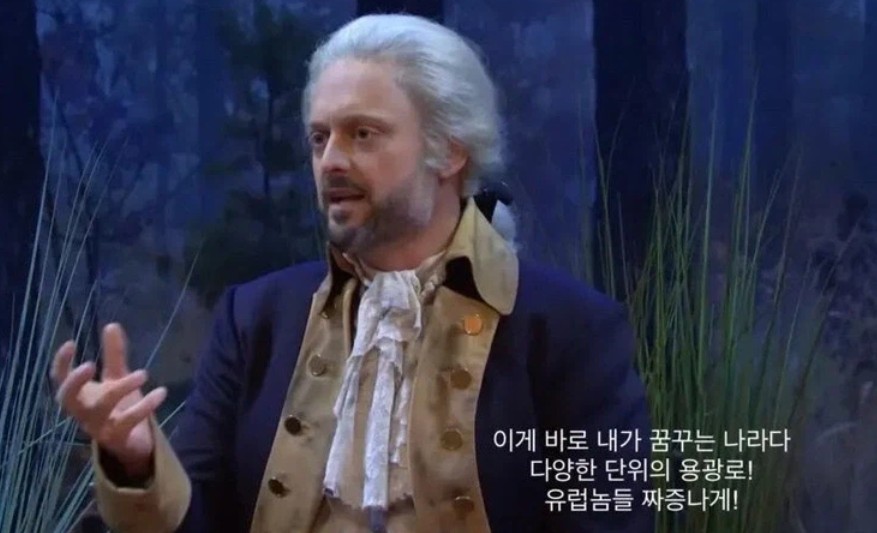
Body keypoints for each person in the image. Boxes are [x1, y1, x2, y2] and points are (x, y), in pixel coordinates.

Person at [51, 13, 654, 533]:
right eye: (319, 138)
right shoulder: (257, 319)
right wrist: (137, 460)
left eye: (363, 134)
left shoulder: (569, 331)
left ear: (450, 150)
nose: (331, 160)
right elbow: (202, 519)